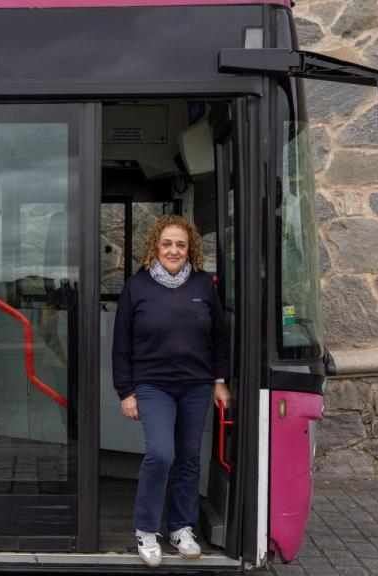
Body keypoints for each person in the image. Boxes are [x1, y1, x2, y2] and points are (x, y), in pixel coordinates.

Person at [112, 214, 230, 568]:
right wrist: (125, 391)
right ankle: (146, 530)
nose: (174, 250)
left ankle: (182, 527)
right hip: (153, 385)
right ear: (155, 247)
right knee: (161, 454)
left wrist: (219, 380)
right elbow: (121, 345)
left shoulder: (203, 285)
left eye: (181, 244)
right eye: (167, 244)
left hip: (195, 385)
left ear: (190, 247)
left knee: (189, 458)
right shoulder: (137, 286)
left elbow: (220, 337)